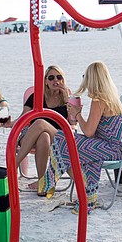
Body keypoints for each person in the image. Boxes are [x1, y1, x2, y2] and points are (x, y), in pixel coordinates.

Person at [52, 61, 122, 214]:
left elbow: (88, 132)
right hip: (121, 148)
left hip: (112, 149)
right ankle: (87, 190)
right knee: (68, 142)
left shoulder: (99, 100)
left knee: (62, 140)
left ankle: (84, 190)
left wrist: (77, 113)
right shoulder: (113, 97)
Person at [15, 65, 76, 194]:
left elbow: (73, 122)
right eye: (51, 77)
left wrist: (67, 101)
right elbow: (23, 118)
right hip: (31, 135)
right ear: (46, 81)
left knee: (41, 123)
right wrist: (8, 123)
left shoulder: (68, 98)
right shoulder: (36, 96)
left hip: (58, 136)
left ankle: (12, 165)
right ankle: (43, 182)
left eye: (59, 77)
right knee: (43, 135)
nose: (56, 81)